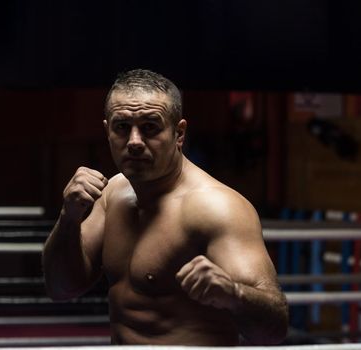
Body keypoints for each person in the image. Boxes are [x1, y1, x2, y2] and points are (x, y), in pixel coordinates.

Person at [42, 69, 288, 346]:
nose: (134, 141)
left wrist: (234, 294)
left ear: (179, 133)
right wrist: (69, 217)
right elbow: (61, 288)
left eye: (150, 127)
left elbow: (275, 330)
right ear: (107, 131)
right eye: (122, 127)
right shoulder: (112, 193)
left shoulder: (217, 208)